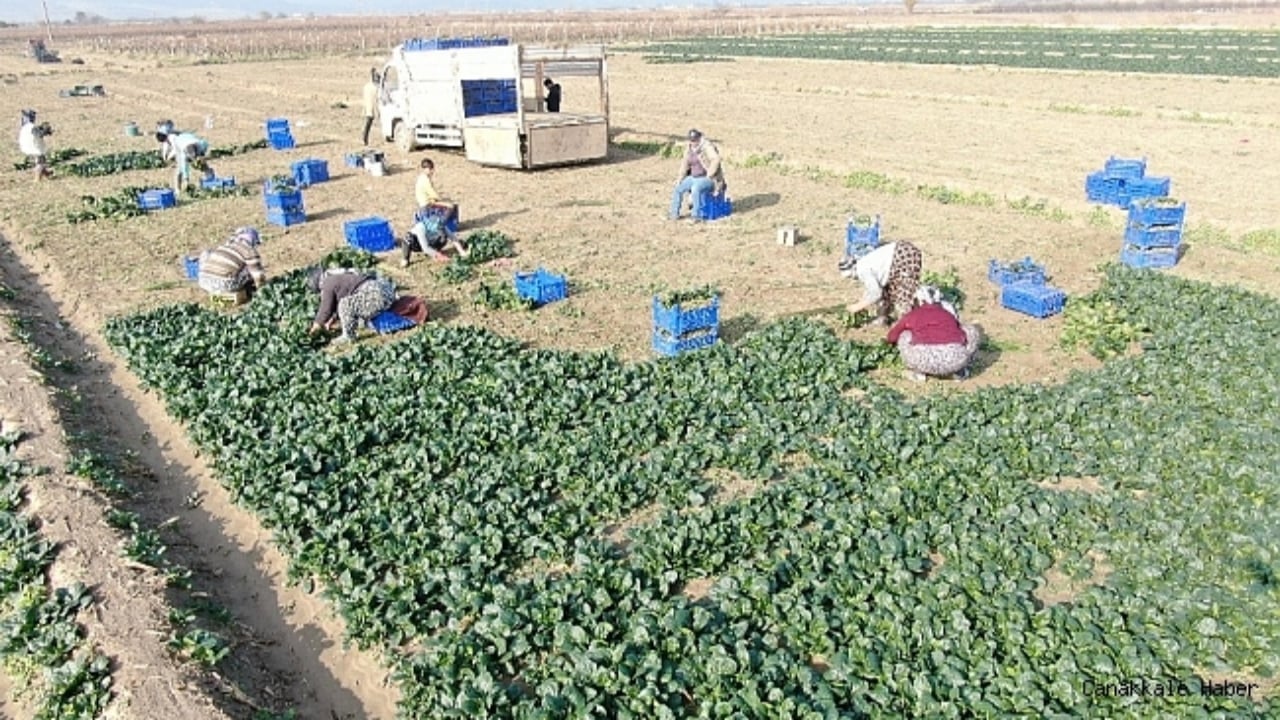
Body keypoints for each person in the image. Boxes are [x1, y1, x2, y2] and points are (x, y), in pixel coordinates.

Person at [885, 286, 982, 382]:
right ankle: (958, 372)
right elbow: (962, 335)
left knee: (905, 334)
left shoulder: (913, 315)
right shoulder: (948, 314)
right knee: (971, 330)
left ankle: (918, 373)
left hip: (921, 359)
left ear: (920, 301)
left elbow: (892, 337)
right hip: (954, 360)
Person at [839, 240, 923, 326]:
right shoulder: (864, 264)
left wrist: (858, 306)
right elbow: (871, 290)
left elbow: (876, 293)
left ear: (852, 270)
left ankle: (906, 323)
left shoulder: (862, 270)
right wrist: (863, 301)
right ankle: (882, 318)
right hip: (900, 254)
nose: (852, 279)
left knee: (903, 293)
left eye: (850, 276)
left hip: (903, 255)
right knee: (888, 292)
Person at [307, 267, 397, 345]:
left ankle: (348, 336)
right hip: (386, 292)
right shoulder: (336, 278)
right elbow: (336, 307)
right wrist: (330, 322)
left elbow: (325, 309)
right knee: (349, 305)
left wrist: (315, 327)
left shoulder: (327, 284)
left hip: (376, 296)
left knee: (345, 303)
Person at [669, 128, 725, 223]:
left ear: (699, 138)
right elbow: (684, 164)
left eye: (695, 140)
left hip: (707, 178)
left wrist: (710, 174)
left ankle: (696, 215)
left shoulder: (707, 147)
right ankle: (674, 214)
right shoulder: (689, 148)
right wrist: (680, 178)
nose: (693, 142)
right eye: (691, 140)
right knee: (678, 188)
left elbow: (716, 160)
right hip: (693, 177)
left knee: (696, 188)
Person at [197, 227, 267, 303]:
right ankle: (243, 292)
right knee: (251, 269)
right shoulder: (249, 251)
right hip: (225, 284)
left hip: (204, 282)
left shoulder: (223, 247)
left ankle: (218, 298)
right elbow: (259, 276)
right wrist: (262, 290)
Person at [400, 206, 469, 267]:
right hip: (417, 243)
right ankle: (405, 259)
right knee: (407, 239)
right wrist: (440, 256)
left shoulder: (440, 226)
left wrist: (462, 252)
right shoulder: (421, 227)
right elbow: (425, 247)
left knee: (443, 237)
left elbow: (453, 239)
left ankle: (434, 252)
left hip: (429, 242)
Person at [414, 157, 459, 228]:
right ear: (424, 169)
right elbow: (433, 194)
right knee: (450, 206)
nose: (432, 171)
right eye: (430, 169)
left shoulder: (421, 178)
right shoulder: (425, 180)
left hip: (427, 202)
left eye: (432, 169)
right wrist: (442, 200)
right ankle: (440, 224)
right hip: (427, 205)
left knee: (447, 202)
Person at [17, 109, 52, 181]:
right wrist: (45, 131)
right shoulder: (32, 127)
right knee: (41, 162)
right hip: (34, 148)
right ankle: (37, 179)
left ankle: (46, 173)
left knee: (40, 161)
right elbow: (38, 134)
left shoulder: (25, 127)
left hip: (25, 147)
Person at [361, 67, 381, 146]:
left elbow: (364, 99)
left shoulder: (366, 87)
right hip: (375, 108)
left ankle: (364, 139)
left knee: (367, 125)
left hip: (368, 108)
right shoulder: (376, 88)